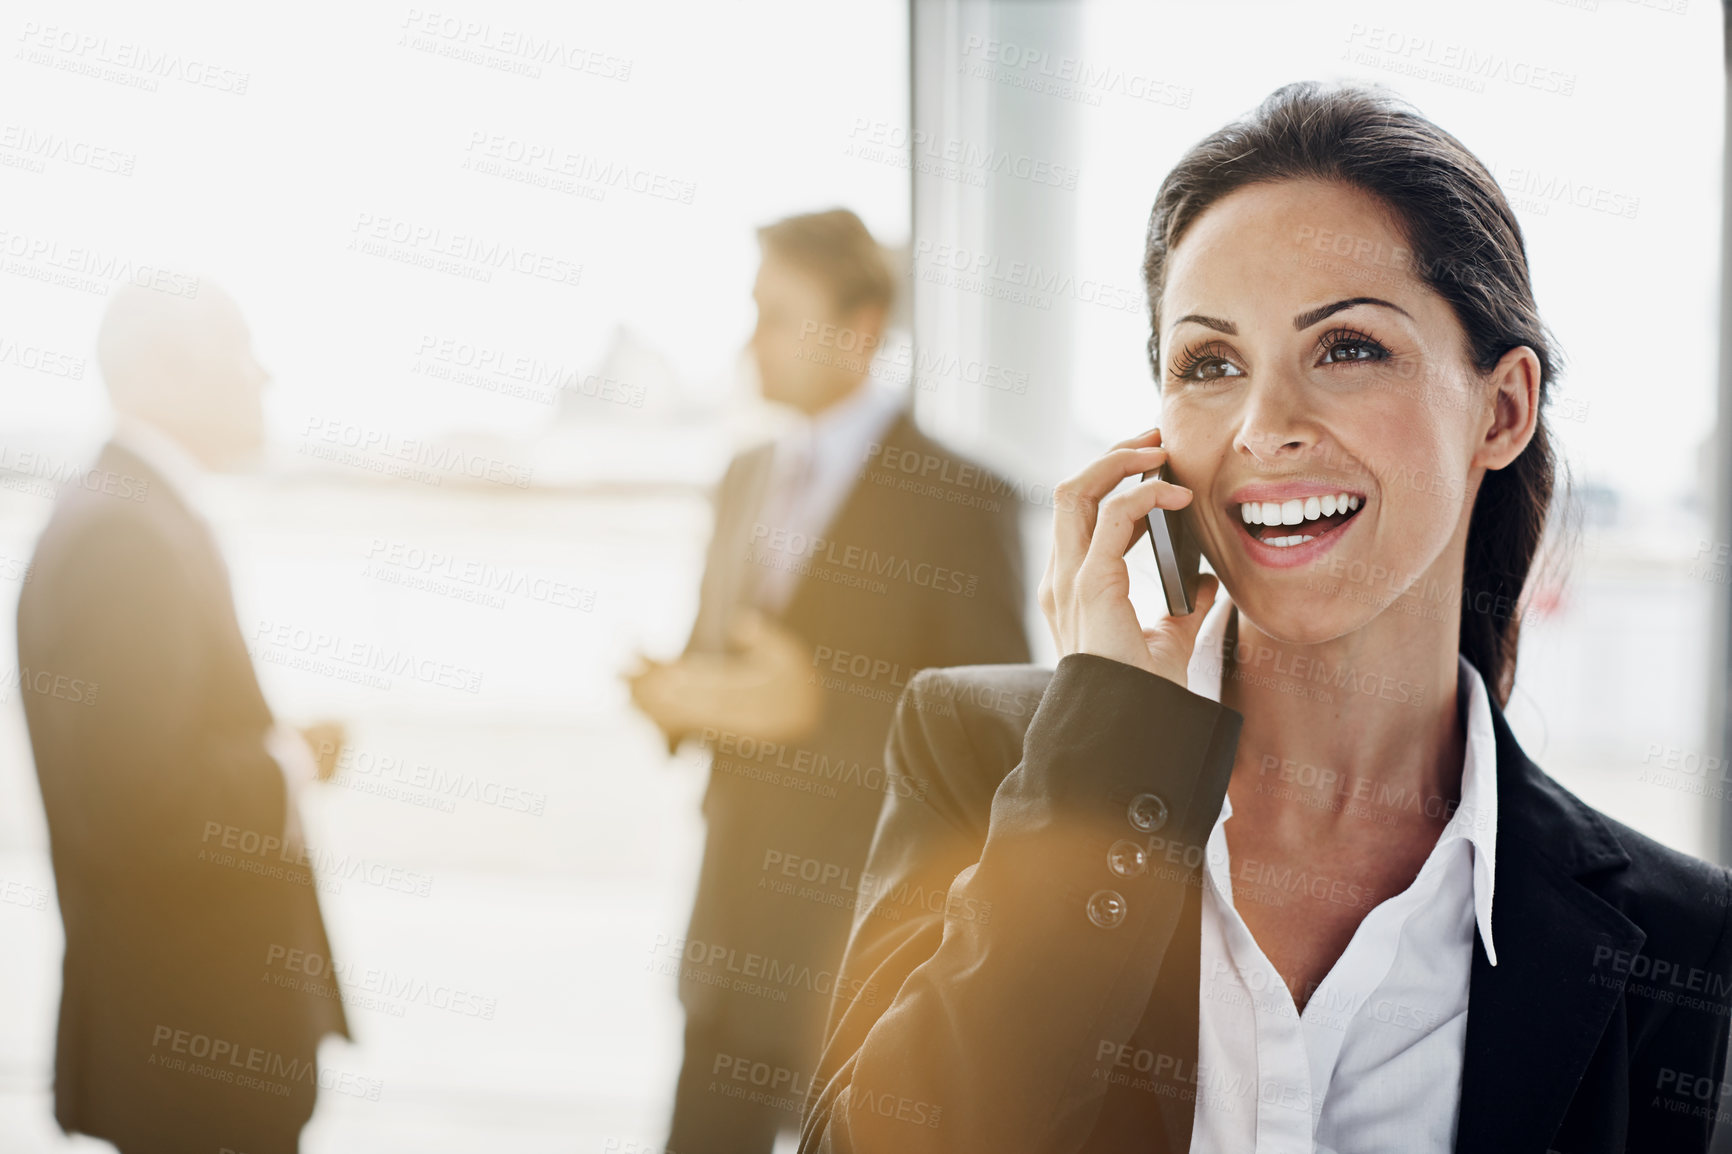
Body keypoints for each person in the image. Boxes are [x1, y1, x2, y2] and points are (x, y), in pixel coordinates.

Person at [798, 83, 1732, 1154]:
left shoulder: (1680, 937)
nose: (1263, 426)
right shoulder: (979, 755)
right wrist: (1104, 771)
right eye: (1210, 364)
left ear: (1502, 407)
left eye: (1346, 348)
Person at [629, 208, 1032, 1153]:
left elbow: (1001, 732)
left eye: (775, 313)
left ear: (859, 327)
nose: (749, 341)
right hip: (730, 939)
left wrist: (814, 708)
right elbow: (728, 670)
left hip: (864, 948)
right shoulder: (742, 474)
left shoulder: (962, 497)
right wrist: (677, 696)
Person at [16, 282, 350, 1154]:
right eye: (241, 350)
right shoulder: (126, 535)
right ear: (163, 372)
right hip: (194, 1051)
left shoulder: (125, 510)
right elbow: (141, 806)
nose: (265, 376)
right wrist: (293, 762)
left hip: (184, 1040)